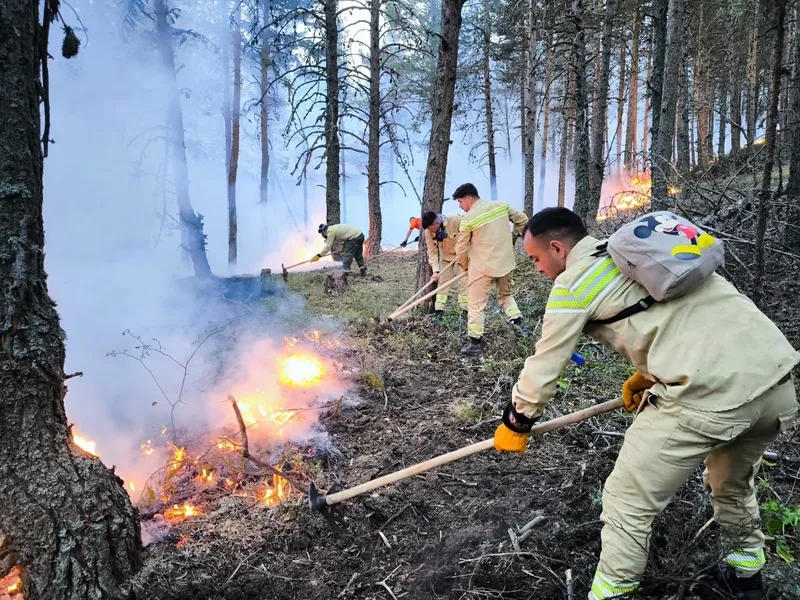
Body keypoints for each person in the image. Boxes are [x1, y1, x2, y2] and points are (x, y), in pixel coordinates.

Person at [493, 207, 799, 600]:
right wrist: (651, 373)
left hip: (708, 396)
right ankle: (748, 581)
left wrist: (518, 420)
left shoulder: (574, 283)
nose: (536, 269)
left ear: (556, 247)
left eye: (535, 258)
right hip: (774, 381)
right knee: (732, 486)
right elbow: (683, 317)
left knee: (627, 500)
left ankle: (611, 594)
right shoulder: (645, 253)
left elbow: (544, 365)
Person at [453, 183, 530, 356]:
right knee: (506, 296)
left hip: (482, 268)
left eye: (460, 202)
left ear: (468, 198)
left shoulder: (468, 218)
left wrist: (465, 266)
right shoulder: (502, 205)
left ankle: (475, 344)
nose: (460, 207)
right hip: (506, 263)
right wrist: (513, 237)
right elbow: (523, 220)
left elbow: (460, 249)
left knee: (476, 304)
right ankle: (519, 326)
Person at [422, 211, 467, 317]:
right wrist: (436, 270)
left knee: (463, 282)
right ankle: (439, 310)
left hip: (461, 256)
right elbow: (432, 251)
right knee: (442, 282)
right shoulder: (428, 231)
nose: (430, 231)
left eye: (431, 228)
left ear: (437, 222)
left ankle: (465, 310)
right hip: (445, 257)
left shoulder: (456, 220)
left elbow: (471, 234)